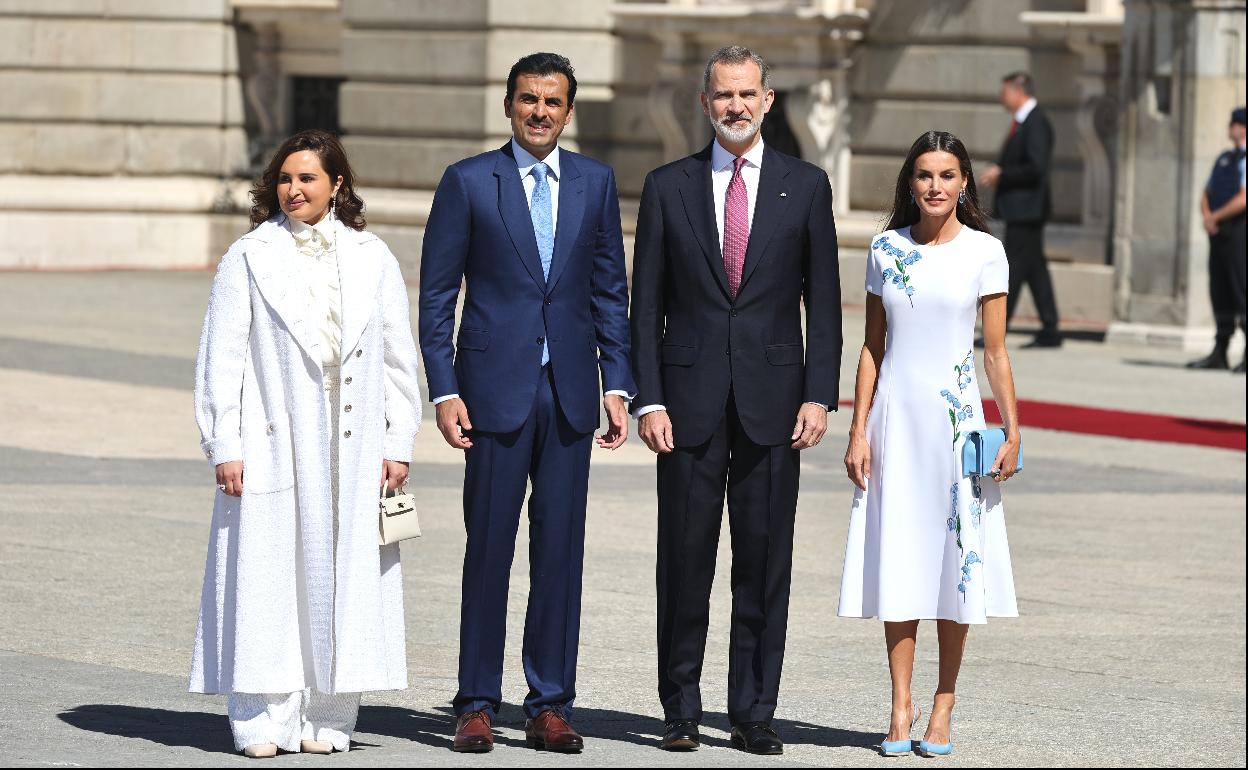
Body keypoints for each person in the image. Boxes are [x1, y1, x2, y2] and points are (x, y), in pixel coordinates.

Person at [418, 52, 635, 754]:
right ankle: (476, 700)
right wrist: (445, 388)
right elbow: (437, 296)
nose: (540, 112)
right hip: (491, 394)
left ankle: (549, 704)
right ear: (509, 105)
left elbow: (610, 291)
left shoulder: (595, 184)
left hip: (571, 393)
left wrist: (618, 384)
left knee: (560, 552)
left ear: (568, 111)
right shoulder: (468, 182)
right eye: (528, 100)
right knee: (489, 548)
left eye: (552, 102)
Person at [630, 45, 842, 755]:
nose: (736, 106)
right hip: (685, 404)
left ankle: (753, 709)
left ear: (769, 100)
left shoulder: (806, 186)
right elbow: (644, 306)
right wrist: (648, 399)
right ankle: (680, 708)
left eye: (748, 94)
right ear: (705, 103)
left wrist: (819, 396)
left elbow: (827, 304)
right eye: (723, 95)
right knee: (684, 564)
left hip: (775, 404)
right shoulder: (667, 186)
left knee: (763, 563)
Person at [190, 130, 422, 757]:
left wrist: (398, 440)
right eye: (286, 179)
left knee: (345, 575)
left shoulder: (373, 257)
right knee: (269, 574)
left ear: (337, 185)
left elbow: (402, 361)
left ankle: (330, 714)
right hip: (273, 435)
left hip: (352, 439)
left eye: (308, 179)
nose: (295, 190)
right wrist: (225, 443)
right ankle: (262, 718)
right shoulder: (249, 256)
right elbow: (222, 357)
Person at [839, 131, 1021, 759]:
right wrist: (858, 430)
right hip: (895, 421)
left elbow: (994, 352)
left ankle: (943, 702)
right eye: (924, 175)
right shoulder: (886, 249)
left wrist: (1013, 430)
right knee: (900, 559)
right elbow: (872, 347)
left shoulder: (985, 253)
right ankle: (898, 704)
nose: (935, 186)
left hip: (956, 424)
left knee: (953, 563)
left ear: (965, 181)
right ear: (909, 183)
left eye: (947, 175)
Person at [978, 71, 1061, 348]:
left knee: (1012, 268)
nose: (1002, 99)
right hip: (1022, 210)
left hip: (1027, 210)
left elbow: (1036, 168)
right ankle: (1050, 328)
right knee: (1035, 270)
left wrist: (1002, 173)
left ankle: (997, 329)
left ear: (1018, 90)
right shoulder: (1024, 122)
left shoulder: (1036, 123)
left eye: (1005, 93)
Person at [1187, 106, 1247, 373]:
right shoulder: (1224, 158)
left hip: (1239, 232)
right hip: (1219, 234)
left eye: (1234, 123)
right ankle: (1220, 350)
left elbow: (1244, 198)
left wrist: (1216, 216)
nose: (1230, 127)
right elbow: (1206, 191)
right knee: (1219, 289)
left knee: (1241, 289)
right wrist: (1208, 216)